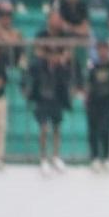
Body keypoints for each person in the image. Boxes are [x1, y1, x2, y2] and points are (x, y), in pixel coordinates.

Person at [26, 42, 73, 174]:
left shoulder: (62, 69)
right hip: (43, 100)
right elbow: (31, 73)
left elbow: (67, 80)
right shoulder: (39, 67)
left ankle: (56, 156)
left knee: (57, 128)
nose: (54, 58)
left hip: (56, 101)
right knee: (44, 128)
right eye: (51, 55)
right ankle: (43, 157)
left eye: (56, 55)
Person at [84, 40, 109, 171]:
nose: (103, 52)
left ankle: (106, 157)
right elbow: (88, 83)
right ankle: (94, 157)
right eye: (100, 50)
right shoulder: (93, 66)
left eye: (105, 49)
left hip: (107, 101)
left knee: (106, 130)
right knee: (93, 130)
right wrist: (87, 97)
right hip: (93, 102)